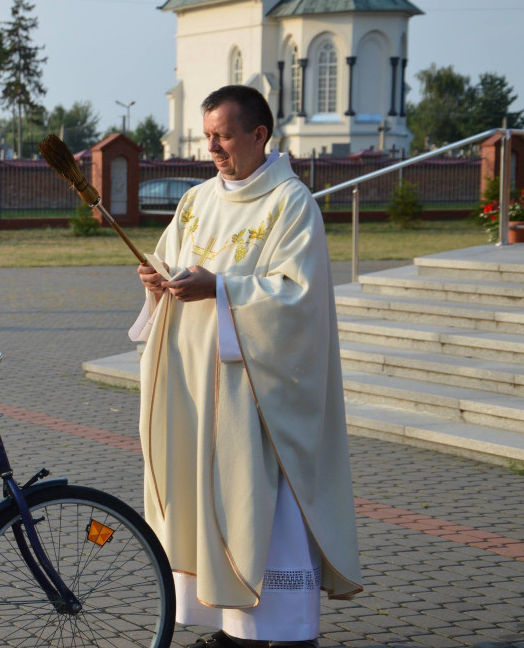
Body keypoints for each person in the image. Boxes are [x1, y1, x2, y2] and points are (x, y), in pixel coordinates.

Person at [129, 85, 361, 648]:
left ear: (259, 135)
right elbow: (172, 258)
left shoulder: (291, 204)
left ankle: (278, 628)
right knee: (204, 496)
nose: (213, 147)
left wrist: (222, 289)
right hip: (198, 385)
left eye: (224, 135)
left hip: (256, 395)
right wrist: (158, 280)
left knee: (260, 504)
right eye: (208, 135)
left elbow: (297, 298)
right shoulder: (199, 200)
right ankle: (225, 624)